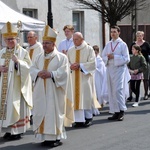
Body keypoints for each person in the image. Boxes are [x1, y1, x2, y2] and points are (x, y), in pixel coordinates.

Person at [30, 25, 74, 147]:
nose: (44, 45)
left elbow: (64, 73)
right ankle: (44, 136)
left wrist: (51, 74)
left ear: (54, 44)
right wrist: (38, 73)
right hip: (40, 90)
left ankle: (55, 137)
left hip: (54, 91)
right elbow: (32, 69)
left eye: (47, 43)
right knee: (41, 112)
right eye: (43, 43)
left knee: (52, 112)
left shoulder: (61, 57)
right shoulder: (38, 57)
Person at [0, 21, 33, 140]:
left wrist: (18, 63)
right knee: (5, 107)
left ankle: (17, 131)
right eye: (7, 39)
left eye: (12, 39)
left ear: (16, 39)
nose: (9, 41)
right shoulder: (2, 52)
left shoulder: (22, 52)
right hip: (3, 87)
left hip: (17, 86)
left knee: (15, 107)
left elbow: (29, 67)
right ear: (4, 40)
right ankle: (8, 130)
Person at [67, 32, 100, 127]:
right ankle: (78, 120)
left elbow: (93, 63)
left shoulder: (89, 49)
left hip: (85, 78)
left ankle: (88, 117)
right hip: (74, 78)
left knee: (86, 97)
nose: (74, 41)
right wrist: (70, 66)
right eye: (73, 39)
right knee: (76, 97)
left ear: (82, 39)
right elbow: (67, 62)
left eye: (76, 39)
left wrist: (80, 65)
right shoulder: (71, 50)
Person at [102, 25, 130, 121]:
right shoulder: (108, 44)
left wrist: (115, 57)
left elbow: (127, 58)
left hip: (119, 69)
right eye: (111, 32)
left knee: (118, 90)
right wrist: (107, 57)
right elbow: (103, 56)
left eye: (114, 32)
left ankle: (122, 110)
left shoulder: (123, 44)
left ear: (119, 32)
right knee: (111, 90)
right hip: (110, 68)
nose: (112, 34)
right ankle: (115, 111)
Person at [26, 31, 43, 125]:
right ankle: (30, 114)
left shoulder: (40, 48)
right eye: (27, 37)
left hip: (36, 75)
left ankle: (36, 114)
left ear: (36, 37)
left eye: (30, 37)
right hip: (28, 76)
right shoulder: (27, 49)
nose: (28, 39)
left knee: (36, 95)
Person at [129, 31, 150, 100]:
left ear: (143, 36)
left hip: (144, 64)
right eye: (138, 36)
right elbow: (130, 54)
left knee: (145, 79)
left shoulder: (146, 44)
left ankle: (146, 94)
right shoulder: (133, 44)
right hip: (134, 64)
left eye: (140, 36)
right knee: (132, 79)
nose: (139, 37)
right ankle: (131, 95)